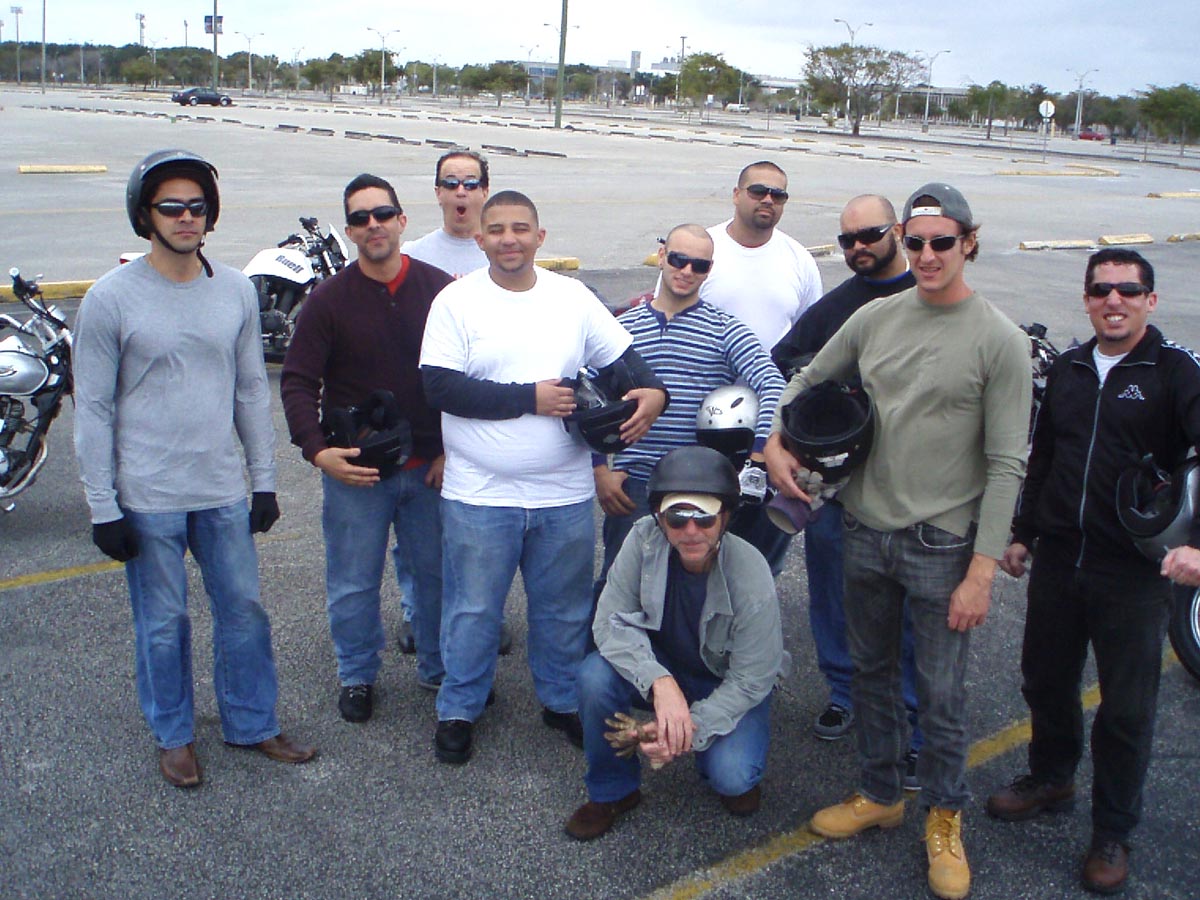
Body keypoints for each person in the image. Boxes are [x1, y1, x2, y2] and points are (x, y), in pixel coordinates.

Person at [765, 183, 1031, 900]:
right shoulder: (875, 317)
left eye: (943, 242)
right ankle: (880, 792)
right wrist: (778, 437)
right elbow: (806, 377)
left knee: (940, 693)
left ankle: (944, 817)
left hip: (941, 544)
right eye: (916, 242)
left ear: (968, 243)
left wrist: (981, 572)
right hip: (864, 529)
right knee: (873, 674)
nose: (928, 255)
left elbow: (1007, 464)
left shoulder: (999, 341)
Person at [73, 149, 316, 788]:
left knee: (244, 611)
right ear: (144, 215)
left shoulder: (234, 291)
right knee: (163, 624)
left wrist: (263, 482)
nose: (186, 217)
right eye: (171, 207)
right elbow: (92, 407)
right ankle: (174, 734)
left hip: (221, 491)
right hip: (147, 494)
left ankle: (252, 721)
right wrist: (103, 506)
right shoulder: (109, 299)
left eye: (197, 207)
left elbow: (250, 391)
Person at [419, 190, 669, 764]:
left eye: (520, 228)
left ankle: (560, 700)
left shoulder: (572, 298)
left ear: (540, 237)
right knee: (473, 610)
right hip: (480, 494)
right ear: (479, 239)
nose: (509, 239)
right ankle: (460, 706)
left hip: (563, 494)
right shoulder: (455, 301)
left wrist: (655, 393)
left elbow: (625, 364)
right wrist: (528, 399)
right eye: (497, 230)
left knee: (563, 609)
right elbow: (440, 387)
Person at [986, 248, 1200, 895]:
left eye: (1128, 290)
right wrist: (1023, 533)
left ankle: (1113, 830)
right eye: (1102, 289)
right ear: (1086, 299)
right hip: (1059, 558)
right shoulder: (1072, 369)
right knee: (1046, 682)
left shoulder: (1174, 371)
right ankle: (1052, 778)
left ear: (1150, 300)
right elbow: (1046, 456)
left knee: (1126, 710)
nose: (1114, 300)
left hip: (1132, 571)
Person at [281, 173, 453, 724]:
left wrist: (451, 451)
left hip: (429, 470)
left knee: (436, 578)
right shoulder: (328, 300)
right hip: (355, 472)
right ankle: (356, 675)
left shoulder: (441, 290)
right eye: (360, 218)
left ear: (402, 220)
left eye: (382, 214)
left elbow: (464, 376)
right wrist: (317, 451)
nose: (373, 225)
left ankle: (437, 667)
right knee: (353, 583)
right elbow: (298, 381)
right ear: (350, 231)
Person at [772, 195, 924, 784]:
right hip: (834, 483)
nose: (858, 247)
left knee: (905, 605)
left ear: (898, 232)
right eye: (847, 240)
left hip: (905, 488)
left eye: (870, 235)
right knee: (833, 593)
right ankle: (843, 692)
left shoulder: (928, 296)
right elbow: (785, 361)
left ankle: (910, 712)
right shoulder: (835, 307)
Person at [566, 446, 789, 840]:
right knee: (593, 676)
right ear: (659, 517)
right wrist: (659, 682)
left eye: (705, 518)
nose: (691, 531)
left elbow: (753, 679)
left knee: (734, 776)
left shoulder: (751, 572)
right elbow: (610, 620)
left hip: (726, 682)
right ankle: (613, 791)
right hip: (663, 667)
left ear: (725, 517)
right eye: (677, 517)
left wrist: (681, 730)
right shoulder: (642, 539)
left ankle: (716, 757)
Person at [594, 223, 784, 596]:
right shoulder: (621, 329)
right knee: (622, 587)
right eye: (679, 259)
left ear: (709, 270)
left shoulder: (725, 329)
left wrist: (759, 455)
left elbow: (773, 384)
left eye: (699, 265)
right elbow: (593, 398)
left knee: (697, 592)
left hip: (701, 483)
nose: (687, 271)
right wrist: (601, 470)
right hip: (635, 482)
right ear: (661, 256)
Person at [400, 150, 514, 658]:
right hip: (427, 414)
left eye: (471, 182)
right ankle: (417, 612)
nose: (461, 192)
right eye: (451, 183)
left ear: (485, 190)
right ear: (438, 192)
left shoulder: (504, 254)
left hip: (487, 419)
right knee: (420, 535)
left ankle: (486, 615)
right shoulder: (415, 255)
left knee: (484, 535)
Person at [696, 160, 823, 576]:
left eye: (778, 194)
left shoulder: (798, 260)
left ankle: (752, 613)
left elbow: (810, 342)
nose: (768, 199)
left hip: (771, 425)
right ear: (736, 195)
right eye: (757, 191)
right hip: (701, 424)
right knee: (697, 537)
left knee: (761, 551)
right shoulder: (704, 251)